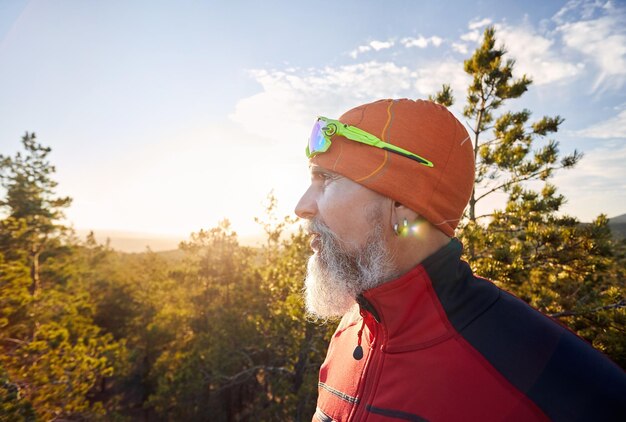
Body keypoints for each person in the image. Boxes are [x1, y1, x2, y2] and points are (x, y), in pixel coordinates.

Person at [295, 99, 626, 421]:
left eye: (326, 179)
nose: (302, 206)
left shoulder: (549, 374)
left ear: (401, 202)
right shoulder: (353, 328)